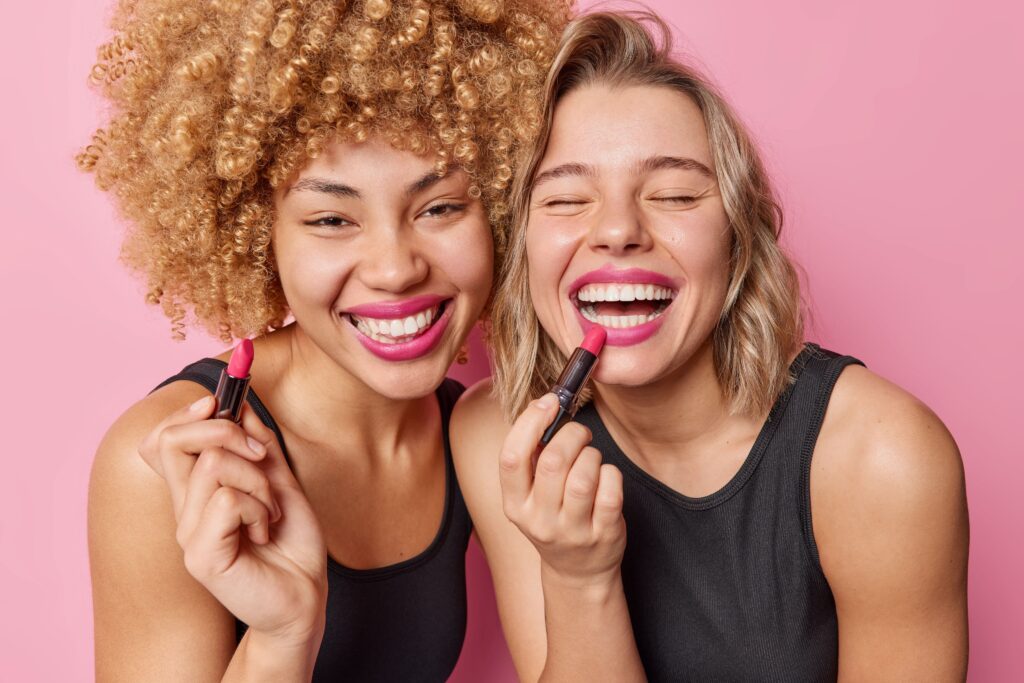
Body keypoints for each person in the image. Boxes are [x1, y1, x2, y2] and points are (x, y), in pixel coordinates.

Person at [452, 11, 970, 682]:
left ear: (739, 239)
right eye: (566, 199)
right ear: (520, 246)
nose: (618, 229)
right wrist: (578, 576)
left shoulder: (883, 459)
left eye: (673, 194)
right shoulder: (498, 435)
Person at [80, 0, 568, 679]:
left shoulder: (477, 432)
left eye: (440, 207)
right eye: (332, 219)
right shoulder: (168, 467)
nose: (395, 269)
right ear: (259, 233)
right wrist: (282, 635)